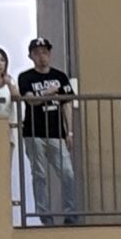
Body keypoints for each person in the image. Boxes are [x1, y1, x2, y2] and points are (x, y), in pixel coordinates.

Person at [17, 37, 77, 226]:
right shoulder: (25, 77)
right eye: (37, 53)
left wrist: (69, 132)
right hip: (34, 133)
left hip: (56, 133)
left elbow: (67, 104)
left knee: (67, 173)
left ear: (50, 54)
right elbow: (30, 100)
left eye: (44, 52)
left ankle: (71, 214)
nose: (41, 57)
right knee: (39, 175)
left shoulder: (60, 76)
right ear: (31, 56)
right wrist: (46, 93)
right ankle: (45, 216)